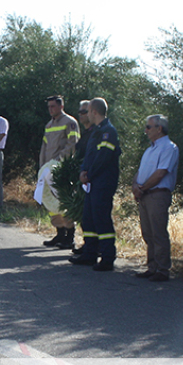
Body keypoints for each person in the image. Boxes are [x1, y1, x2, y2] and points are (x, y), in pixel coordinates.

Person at [69, 97, 120, 271]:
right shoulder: (95, 132)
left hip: (103, 182)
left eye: (88, 111)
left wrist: (89, 174)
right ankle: (89, 254)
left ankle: (107, 257)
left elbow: (104, 157)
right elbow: (89, 156)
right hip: (91, 182)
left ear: (94, 112)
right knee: (88, 219)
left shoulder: (108, 132)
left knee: (102, 219)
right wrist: (83, 172)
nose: (87, 114)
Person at [131, 115, 179, 281]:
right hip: (145, 194)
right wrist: (135, 186)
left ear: (159, 129)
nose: (146, 130)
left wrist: (142, 188)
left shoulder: (169, 148)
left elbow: (160, 173)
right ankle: (152, 266)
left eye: (149, 127)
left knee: (158, 232)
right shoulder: (150, 149)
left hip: (157, 194)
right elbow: (140, 171)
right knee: (148, 232)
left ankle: (163, 269)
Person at [40, 95, 81, 248]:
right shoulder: (49, 125)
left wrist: (58, 161)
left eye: (53, 106)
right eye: (49, 107)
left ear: (61, 107)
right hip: (48, 170)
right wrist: (42, 166)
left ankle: (70, 237)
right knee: (50, 202)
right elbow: (44, 148)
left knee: (64, 201)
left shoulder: (70, 122)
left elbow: (73, 144)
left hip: (62, 170)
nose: (50, 109)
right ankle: (59, 233)